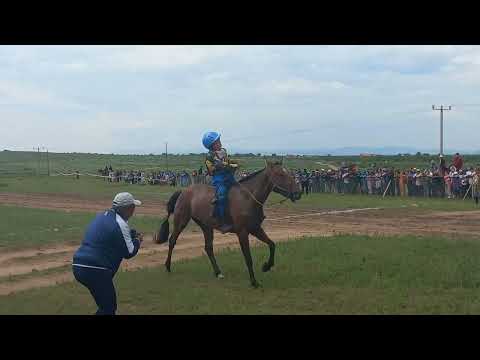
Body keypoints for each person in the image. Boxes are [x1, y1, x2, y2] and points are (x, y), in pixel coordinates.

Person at [72, 192, 143, 315]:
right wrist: (137, 241)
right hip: (96, 269)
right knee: (108, 309)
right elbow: (129, 252)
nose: (133, 210)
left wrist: (131, 235)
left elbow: (110, 236)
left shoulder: (102, 216)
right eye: (133, 207)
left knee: (105, 307)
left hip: (79, 265)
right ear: (127, 208)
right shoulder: (121, 223)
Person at [203, 131, 238, 233]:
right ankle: (222, 222)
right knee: (222, 196)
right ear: (212, 145)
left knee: (240, 188)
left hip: (229, 176)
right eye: (217, 141)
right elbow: (210, 170)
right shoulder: (209, 157)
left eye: (219, 140)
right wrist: (217, 166)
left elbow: (228, 161)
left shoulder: (223, 151)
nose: (220, 142)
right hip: (219, 179)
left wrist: (233, 164)